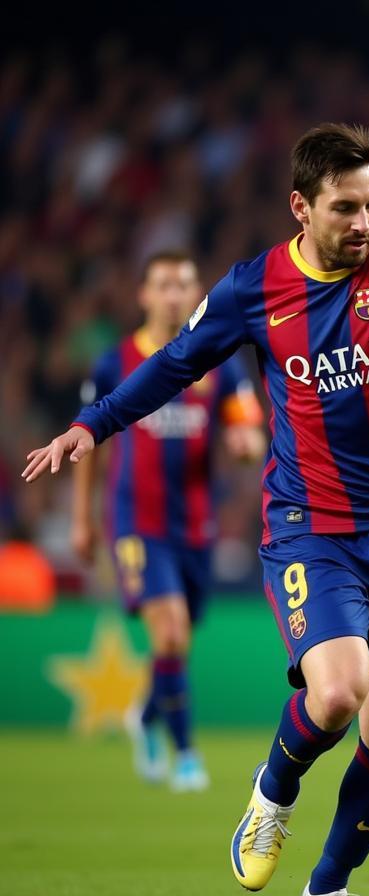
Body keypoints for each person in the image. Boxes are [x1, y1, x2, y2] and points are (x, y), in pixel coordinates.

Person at [23, 123, 369, 896]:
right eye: (345, 208)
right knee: (341, 693)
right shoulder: (254, 288)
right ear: (300, 207)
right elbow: (175, 362)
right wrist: (92, 425)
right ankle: (273, 794)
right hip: (311, 526)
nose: (363, 223)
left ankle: (327, 889)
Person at [70, 251, 265, 791]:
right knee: (172, 633)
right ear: (145, 295)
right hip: (137, 523)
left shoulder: (220, 366)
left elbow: (248, 432)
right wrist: (82, 522)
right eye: (164, 285)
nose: (175, 295)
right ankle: (184, 754)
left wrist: (246, 444)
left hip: (195, 527)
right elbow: (91, 447)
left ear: (196, 293)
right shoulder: (115, 363)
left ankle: (147, 715)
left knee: (175, 642)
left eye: (184, 285)